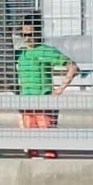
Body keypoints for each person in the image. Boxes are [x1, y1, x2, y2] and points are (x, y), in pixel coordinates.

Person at [16, 14, 79, 158]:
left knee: (48, 143)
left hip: (43, 101)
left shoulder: (46, 50)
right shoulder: (19, 53)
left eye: (30, 34)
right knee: (30, 146)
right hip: (25, 102)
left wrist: (59, 89)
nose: (27, 38)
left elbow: (72, 67)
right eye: (24, 34)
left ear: (37, 32)